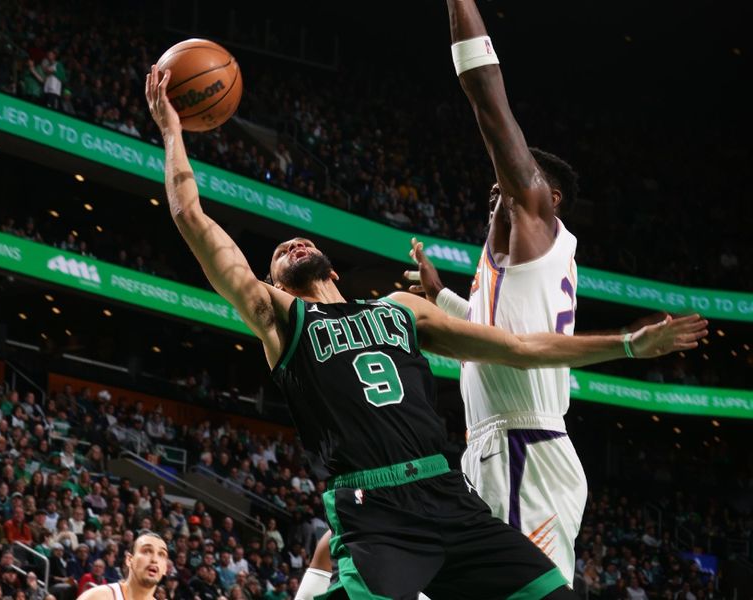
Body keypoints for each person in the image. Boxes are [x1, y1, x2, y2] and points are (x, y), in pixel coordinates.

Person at [146, 64, 705, 599]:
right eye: (278, 254)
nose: (292, 244)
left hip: (447, 494)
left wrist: (629, 344)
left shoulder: (401, 309)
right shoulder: (282, 318)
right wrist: (173, 131)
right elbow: (191, 218)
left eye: (301, 241)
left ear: (334, 269)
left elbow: (518, 348)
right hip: (376, 505)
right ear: (272, 284)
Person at [399, 0, 645, 586]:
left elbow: (488, 100)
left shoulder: (538, 223)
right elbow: (494, 341)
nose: (499, 184)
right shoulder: (512, 262)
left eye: (513, 177)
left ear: (548, 197)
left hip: (520, 448)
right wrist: (446, 301)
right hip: (505, 445)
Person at [77, 532, 167, 600]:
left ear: (165, 569)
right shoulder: (99, 596)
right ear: (129, 559)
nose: (154, 559)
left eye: (161, 554)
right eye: (147, 551)